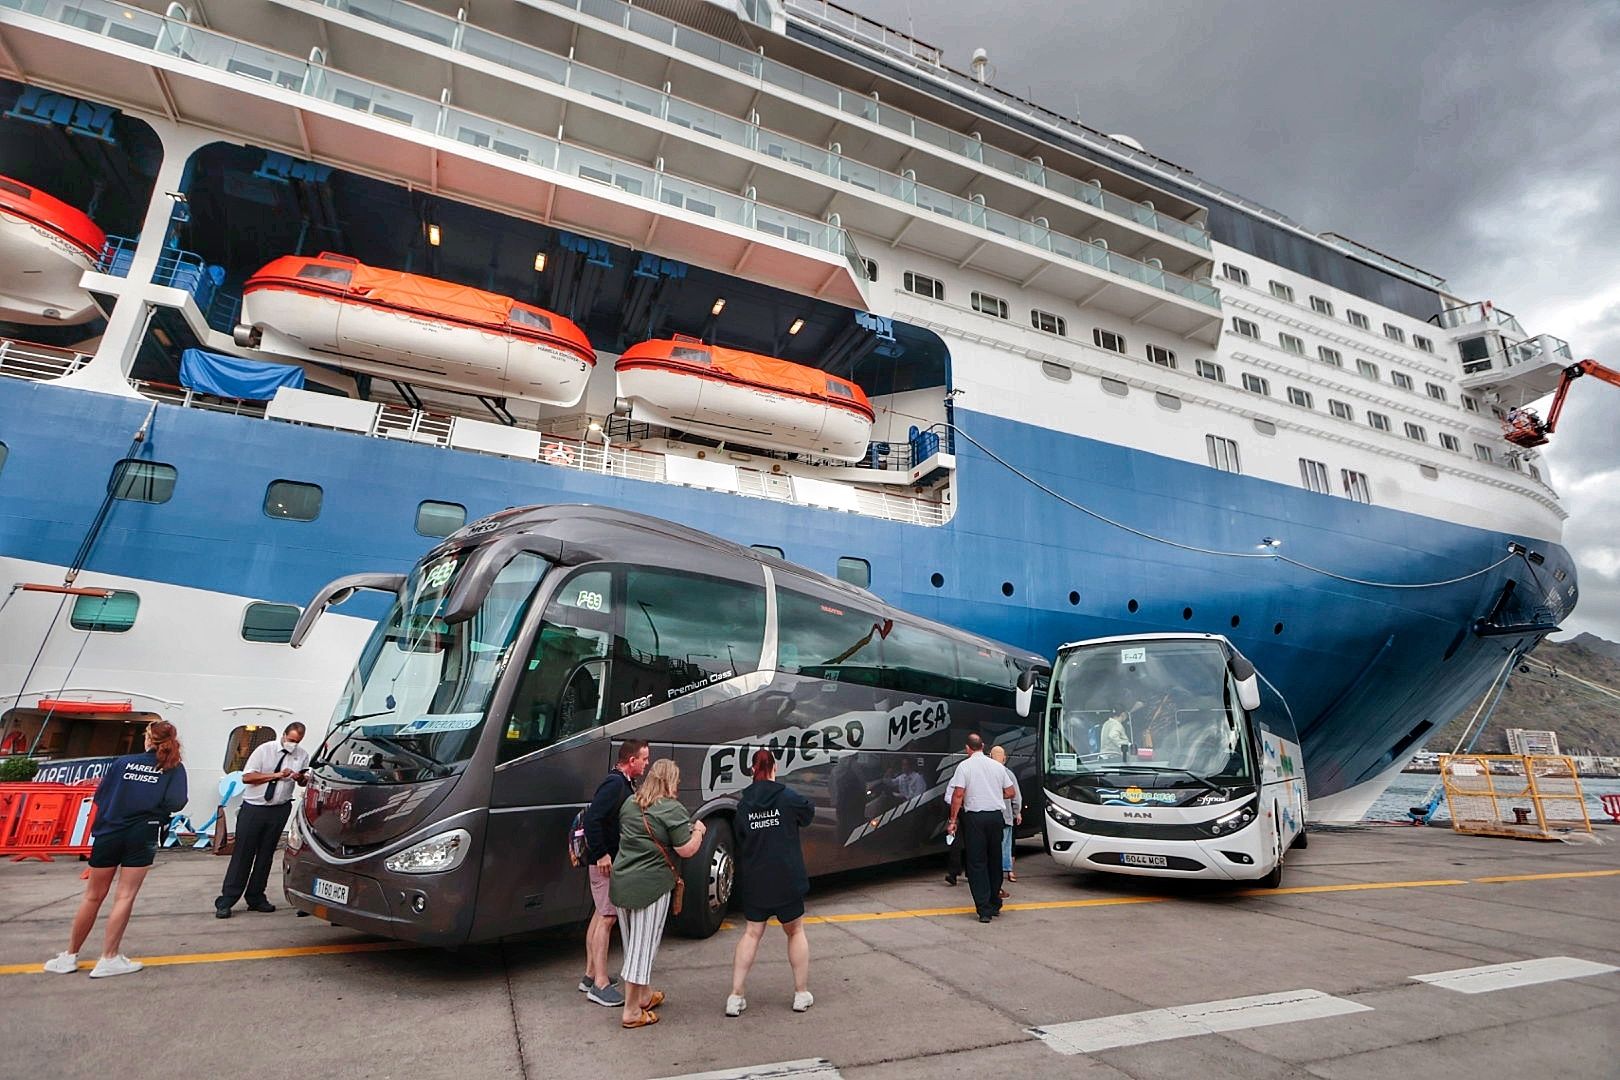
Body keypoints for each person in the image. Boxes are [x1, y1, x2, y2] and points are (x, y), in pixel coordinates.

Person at [44, 720, 188, 977]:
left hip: (110, 831)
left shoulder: (122, 763)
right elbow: (176, 802)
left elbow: (101, 796)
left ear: (147, 739)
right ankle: (109, 957)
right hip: (143, 832)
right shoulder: (173, 768)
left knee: (92, 896)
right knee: (125, 895)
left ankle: (69, 955)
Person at [610, 758, 706, 1029]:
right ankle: (631, 1010)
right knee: (642, 948)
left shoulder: (630, 804)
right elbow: (686, 849)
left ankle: (644, 995)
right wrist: (698, 831)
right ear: (670, 781)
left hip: (622, 882)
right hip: (650, 886)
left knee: (633, 944)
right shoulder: (671, 809)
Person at [726, 748, 816, 1018]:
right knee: (795, 931)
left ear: (752, 770)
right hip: (786, 877)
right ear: (774, 768)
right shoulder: (788, 797)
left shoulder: (743, 804)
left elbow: (740, 837)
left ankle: (735, 995)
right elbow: (808, 813)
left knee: (752, 933)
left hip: (756, 879)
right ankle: (801, 993)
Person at [578, 738, 650, 1008]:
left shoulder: (622, 783)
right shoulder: (614, 784)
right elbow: (593, 819)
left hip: (606, 861)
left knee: (600, 915)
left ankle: (589, 975)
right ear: (631, 761)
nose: (646, 763)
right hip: (605, 863)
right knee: (608, 918)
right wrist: (602, 854)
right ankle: (600, 985)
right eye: (644, 758)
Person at [215, 721, 309, 918]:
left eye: (297, 741)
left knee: (266, 855)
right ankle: (227, 899)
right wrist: (276, 775)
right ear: (284, 735)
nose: (293, 744)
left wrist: (300, 778)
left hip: (279, 808)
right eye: (291, 740)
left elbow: (302, 780)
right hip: (255, 808)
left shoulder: (301, 755)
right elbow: (247, 777)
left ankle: (256, 896)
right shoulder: (264, 750)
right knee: (243, 854)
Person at [946, 733, 1015, 923]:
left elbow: (958, 794)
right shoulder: (997, 766)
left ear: (968, 748)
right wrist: (992, 794)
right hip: (995, 817)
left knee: (977, 863)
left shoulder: (964, 767)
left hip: (975, 818)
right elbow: (1011, 792)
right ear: (983, 746)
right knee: (995, 860)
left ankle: (984, 909)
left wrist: (952, 820)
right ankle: (995, 903)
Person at [988, 745, 1023, 888]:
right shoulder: (1008, 774)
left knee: (990, 846)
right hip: (1006, 816)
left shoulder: (986, 773)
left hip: (988, 815)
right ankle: (1007, 871)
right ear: (1004, 758)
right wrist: (1016, 812)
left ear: (990, 757)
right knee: (1005, 845)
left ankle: (992, 872)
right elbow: (1016, 797)